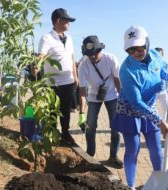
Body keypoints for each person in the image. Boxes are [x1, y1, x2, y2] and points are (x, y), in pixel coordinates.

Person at [111, 26, 168, 189]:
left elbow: (162, 70)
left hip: (149, 106)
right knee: (133, 149)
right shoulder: (126, 71)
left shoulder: (156, 55)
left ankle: (159, 182)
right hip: (130, 110)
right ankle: (130, 185)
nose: (137, 52)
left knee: (155, 148)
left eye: (140, 47)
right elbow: (137, 103)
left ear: (147, 42)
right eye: (131, 49)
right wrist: (160, 121)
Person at [78, 35, 123, 168]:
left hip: (112, 96)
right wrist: (81, 113)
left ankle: (113, 156)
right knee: (90, 126)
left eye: (94, 54)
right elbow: (82, 91)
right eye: (88, 54)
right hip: (93, 97)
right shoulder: (83, 64)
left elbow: (117, 80)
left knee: (116, 127)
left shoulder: (111, 59)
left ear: (99, 50)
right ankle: (90, 155)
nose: (91, 57)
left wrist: (122, 100)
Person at [38, 8, 78, 144]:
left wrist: (75, 76)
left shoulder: (70, 39)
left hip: (68, 81)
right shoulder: (46, 37)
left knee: (65, 110)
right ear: (58, 21)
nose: (69, 23)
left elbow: (72, 58)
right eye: (67, 20)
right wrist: (36, 66)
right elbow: (41, 56)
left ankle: (65, 133)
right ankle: (53, 136)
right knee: (52, 111)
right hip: (52, 83)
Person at [155, 47, 168, 120]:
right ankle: (157, 121)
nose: (158, 55)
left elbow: (166, 74)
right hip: (154, 90)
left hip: (163, 89)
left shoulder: (164, 63)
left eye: (160, 53)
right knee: (152, 108)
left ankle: (164, 121)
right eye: (156, 53)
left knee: (166, 107)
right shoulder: (151, 63)